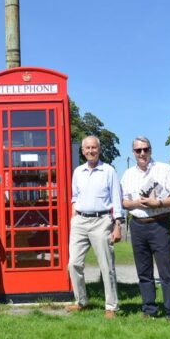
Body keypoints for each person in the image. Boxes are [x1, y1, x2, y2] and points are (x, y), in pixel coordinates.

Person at [121, 136, 170, 320]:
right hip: (138, 225)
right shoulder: (128, 175)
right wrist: (136, 203)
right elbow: (123, 202)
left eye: (145, 149)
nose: (142, 153)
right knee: (144, 272)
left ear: (151, 150)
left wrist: (159, 202)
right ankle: (149, 310)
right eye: (138, 150)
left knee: (166, 271)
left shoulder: (164, 169)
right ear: (133, 153)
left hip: (159, 223)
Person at [66, 136, 124, 318]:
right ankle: (81, 301)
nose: (90, 151)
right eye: (87, 148)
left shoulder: (108, 171)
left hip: (101, 221)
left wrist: (118, 225)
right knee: (73, 263)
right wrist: (73, 217)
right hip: (80, 221)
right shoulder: (78, 172)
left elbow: (116, 198)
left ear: (99, 150)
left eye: (94, 147)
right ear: (82, 151)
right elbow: (74, 196)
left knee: (106, 265)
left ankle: (111, 306)